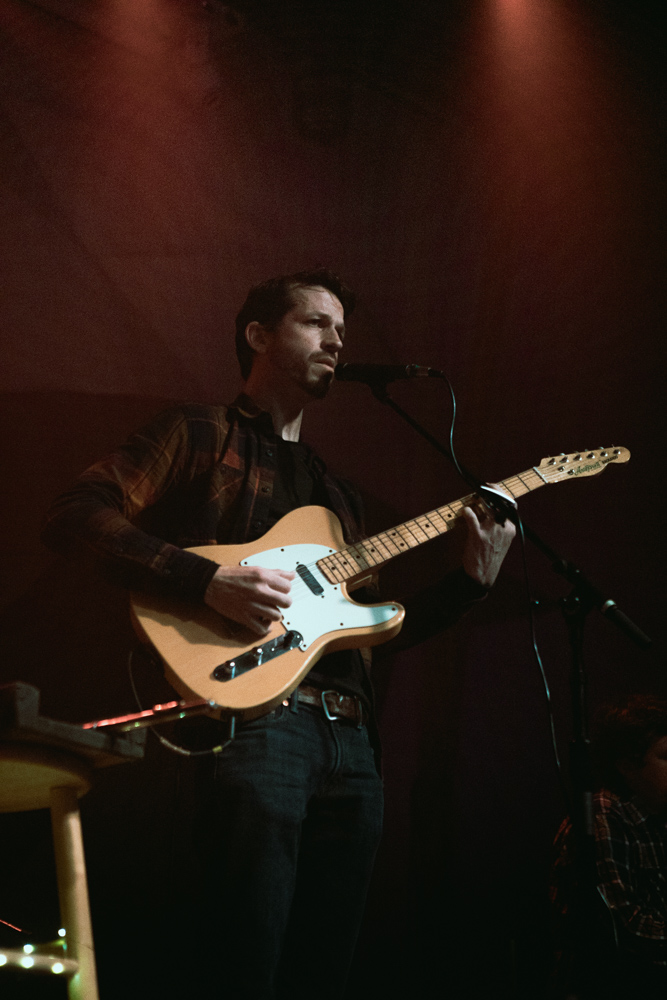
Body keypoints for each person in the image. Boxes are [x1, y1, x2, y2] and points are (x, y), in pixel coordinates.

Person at [42, 269, 516, 999]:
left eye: (340, 331)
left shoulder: (337, 495)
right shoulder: (201, 432)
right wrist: (202, 580)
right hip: (259, 729)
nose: (335, 341)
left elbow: (373, 630)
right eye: (315, 323)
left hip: (351, 746)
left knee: (321, 970)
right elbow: (77, 513)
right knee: (243, 959)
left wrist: (466, 586)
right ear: (258, 335)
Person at [551, 695, 667, 999]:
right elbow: (623, 927)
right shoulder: (604, 818)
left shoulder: (657, 819)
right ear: (627, 764)